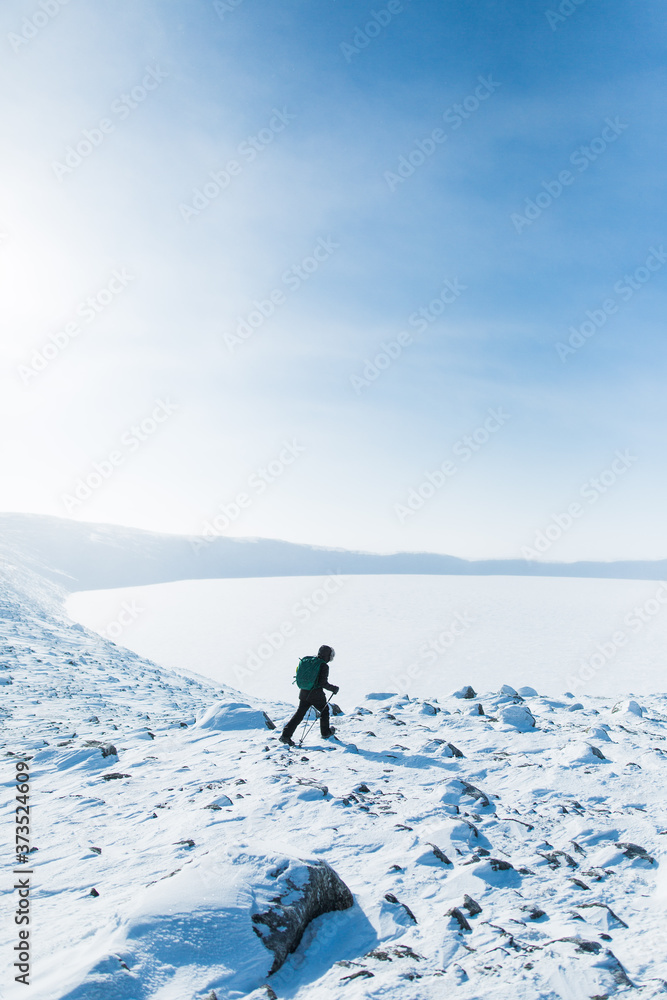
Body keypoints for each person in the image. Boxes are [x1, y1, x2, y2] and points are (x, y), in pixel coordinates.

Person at [279, 644, 339, 746]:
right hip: (315, 694)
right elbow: (322, 683)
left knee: (299, 714)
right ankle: (325, 733)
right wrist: (334, 688)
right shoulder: (323, 665)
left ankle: (285, 735)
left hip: (304, 692)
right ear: (327, 656)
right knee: (324, 711)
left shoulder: (310, 661)